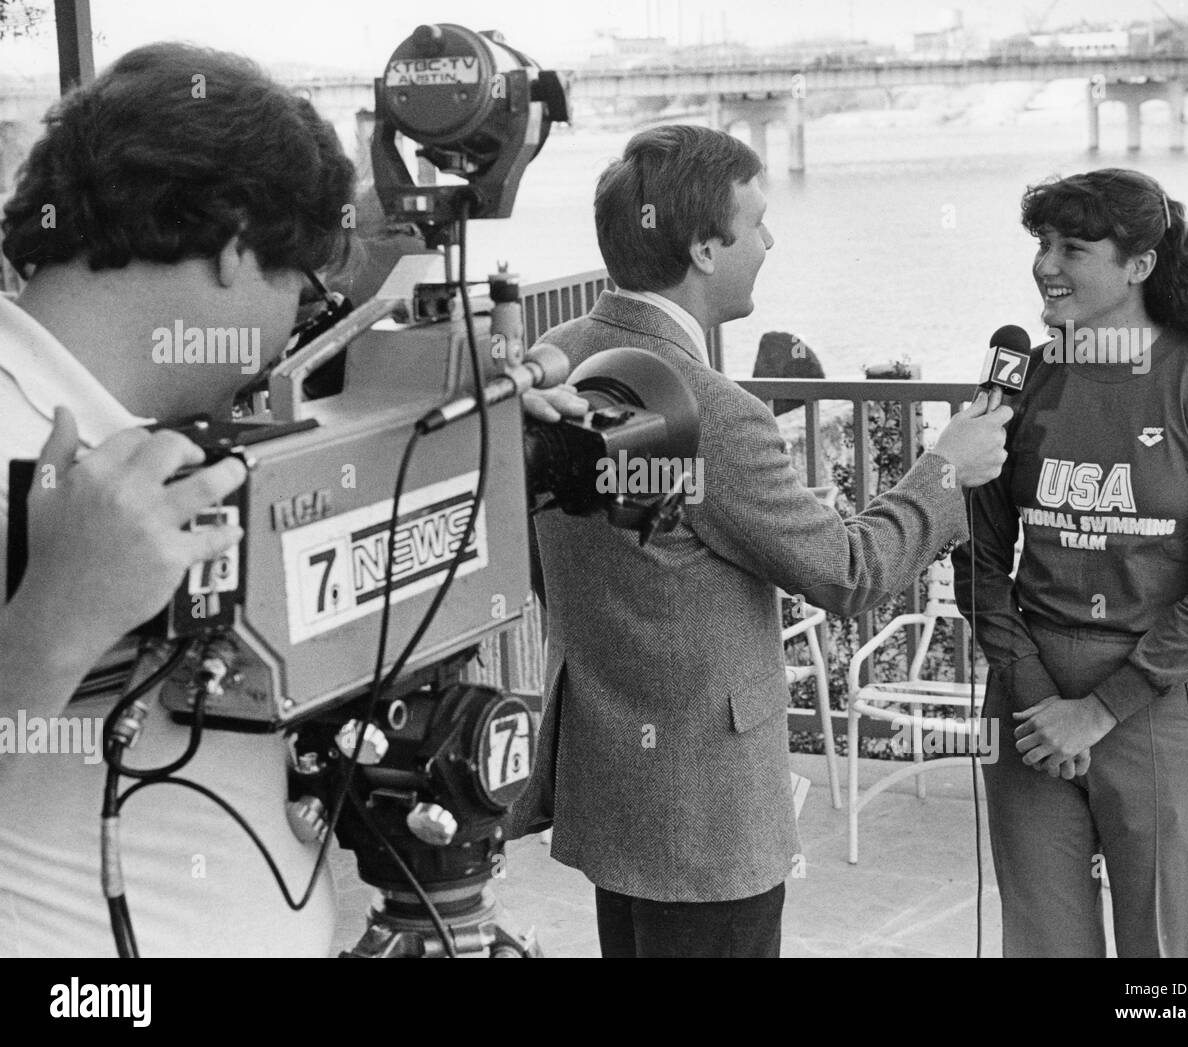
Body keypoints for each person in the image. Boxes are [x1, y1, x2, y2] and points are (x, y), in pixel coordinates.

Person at [0, 42, 585, 958]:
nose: (290, 341)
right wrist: (53, 621)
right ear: (236, 248)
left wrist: (471, 440)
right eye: (305, 294)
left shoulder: (183, 423)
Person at [505, 124, 1013, 957]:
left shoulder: (558, 359)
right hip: (709, 819)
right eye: (758, 223)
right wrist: (945, 471)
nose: (771, 240)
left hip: (616, 784)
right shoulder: (716, 414)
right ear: (706, 247)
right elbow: (852, 572)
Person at [953, 168, 1188, 958]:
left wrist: (1098, 711)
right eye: (1041, 243)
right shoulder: (1021, 384)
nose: (1046, 264)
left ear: (1139, 264)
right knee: (1042, 942)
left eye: (1074, 247)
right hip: (1028, 699)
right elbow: (978, 558)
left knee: (1160, 952)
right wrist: (1036, 696)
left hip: (1153, 701)